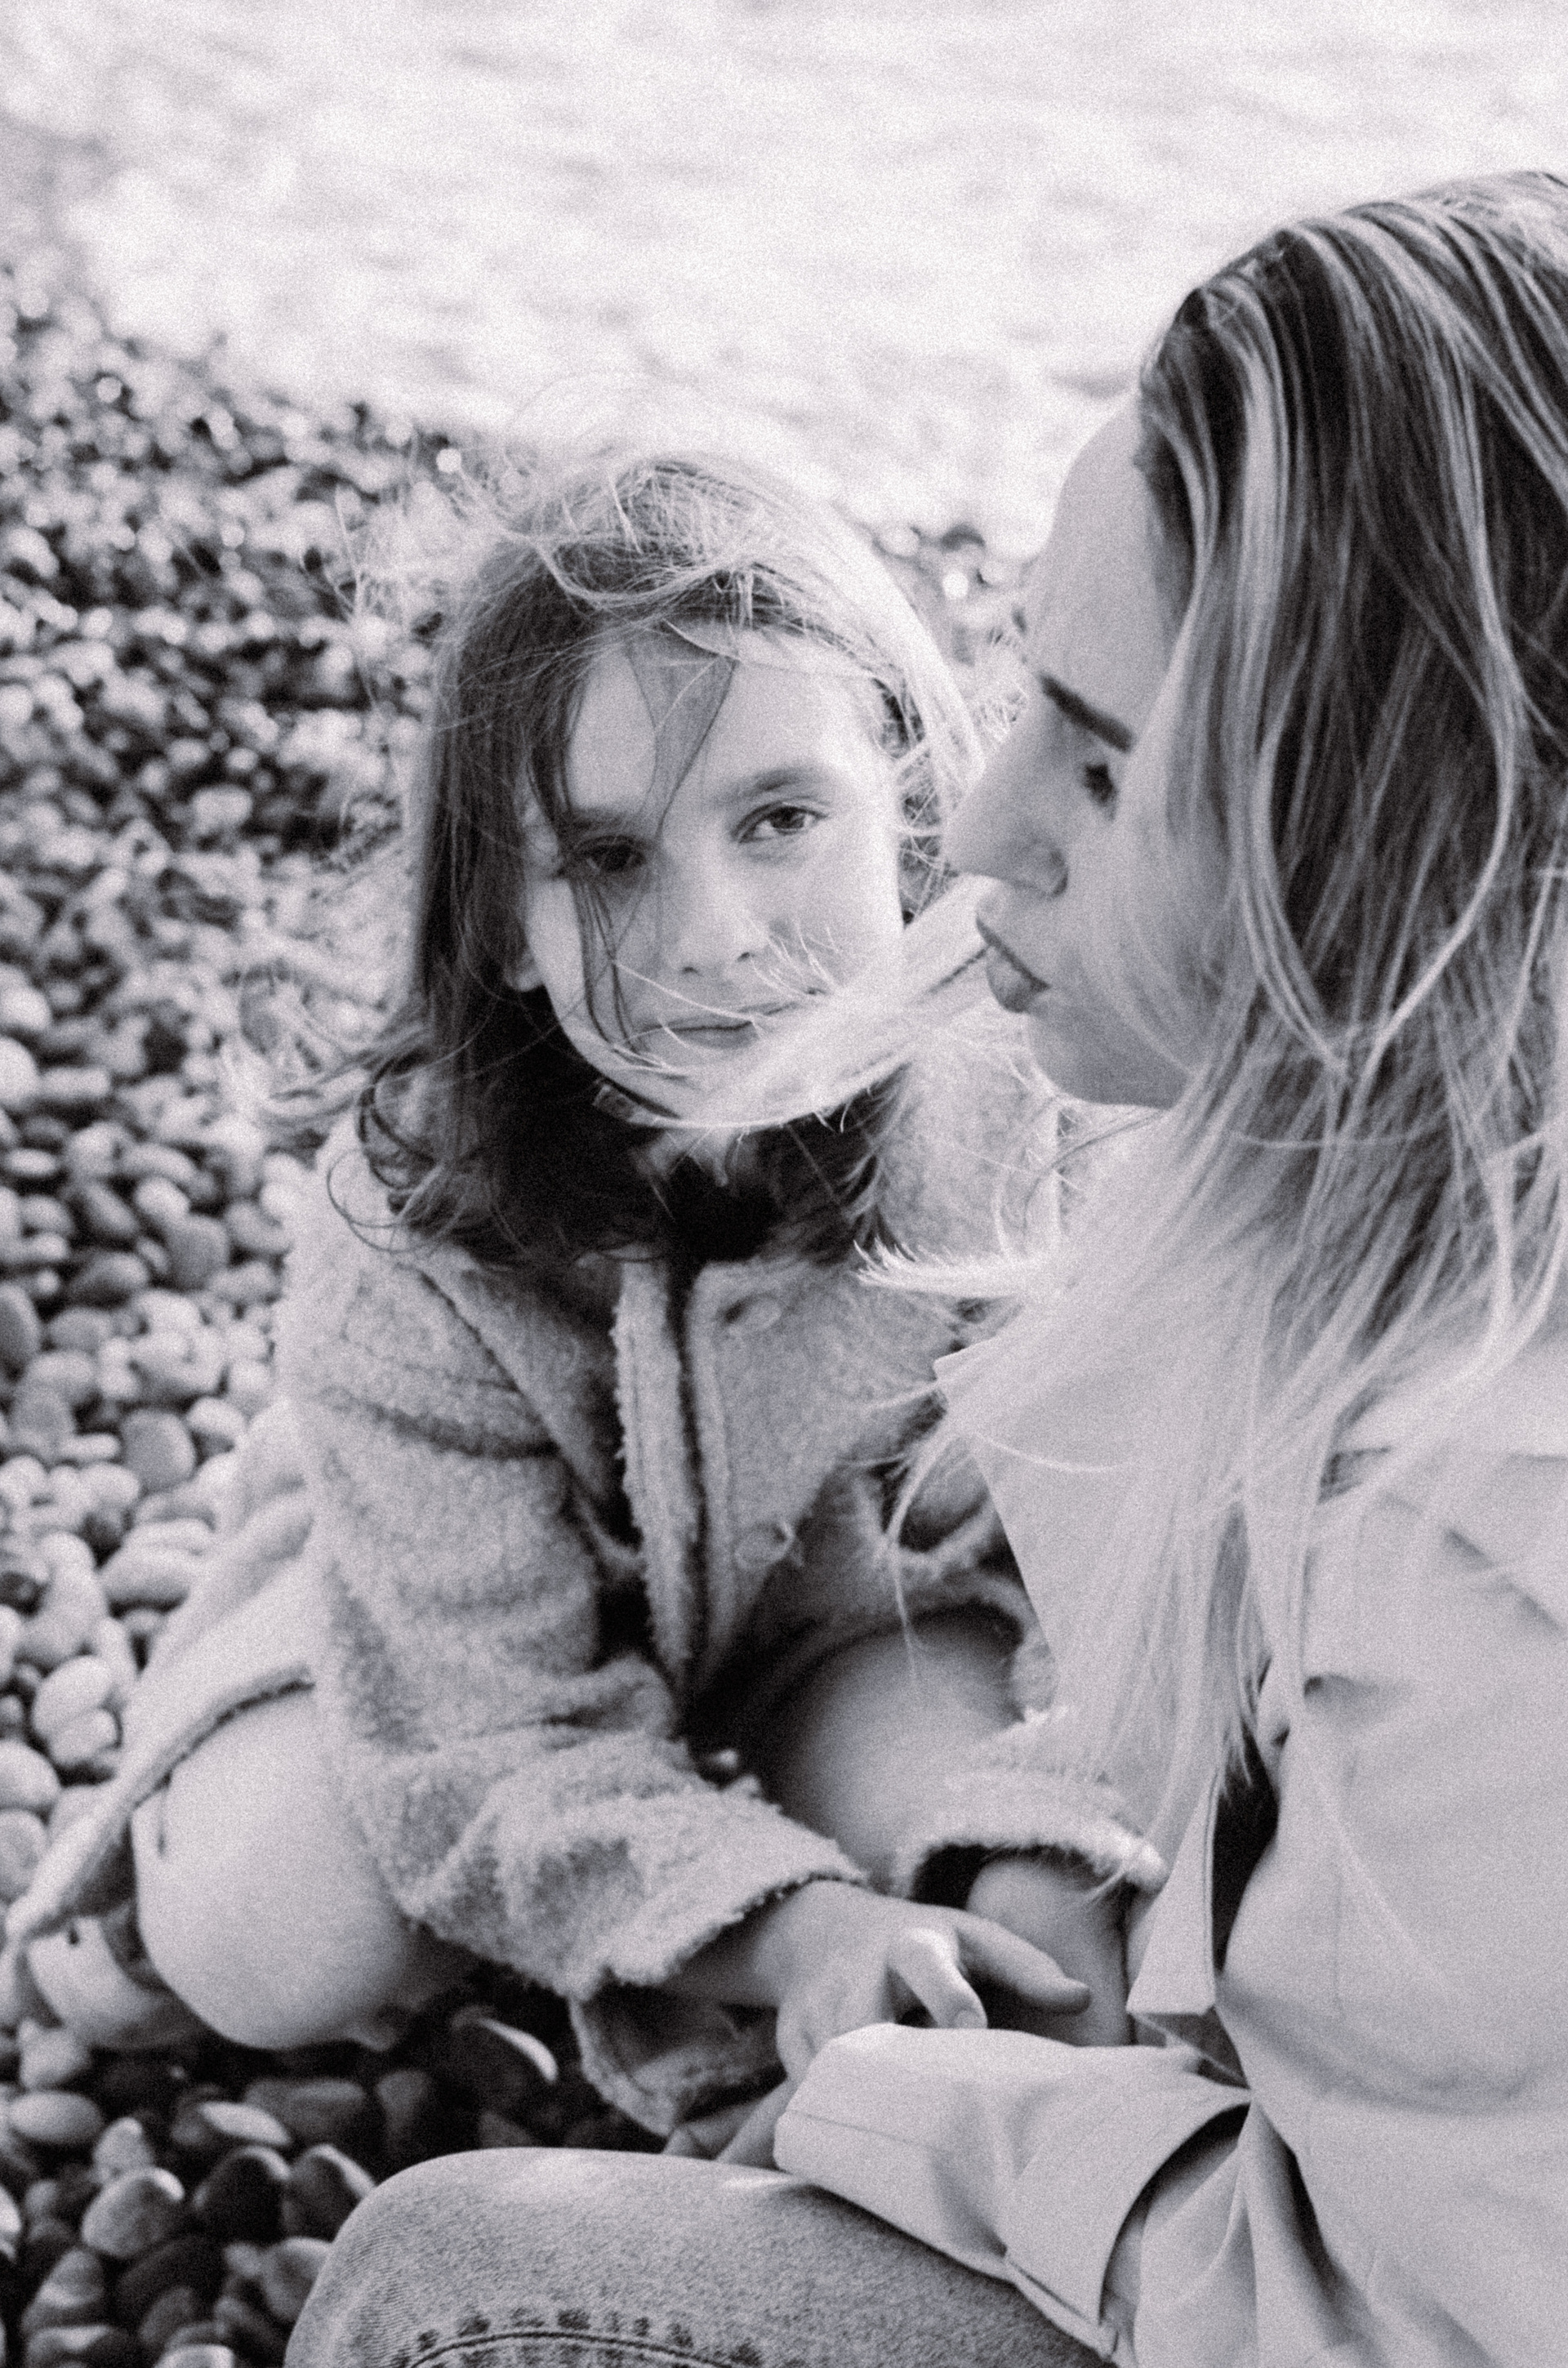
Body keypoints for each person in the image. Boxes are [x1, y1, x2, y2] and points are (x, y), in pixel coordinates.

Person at [287, 173, 1568, 2368]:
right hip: (572, 1625)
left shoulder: (1479, 1548)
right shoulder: (1305, 1177)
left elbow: (1399, 2312)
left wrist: (898, 2092)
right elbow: (485, 1734)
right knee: (272, 1919)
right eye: (1024, 697)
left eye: (1105, 759)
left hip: (1321, 2259)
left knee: (439, 2278)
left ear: (1389, 829)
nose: (978, 831)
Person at [11, 448, 1118, 2139]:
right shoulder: (413, 1216)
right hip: (449, 1614)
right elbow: (481, 1731)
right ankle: (185, 1834)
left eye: (781, 819)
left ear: (906, 804)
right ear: (501, 922)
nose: (717, 935)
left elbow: (1108, 1585)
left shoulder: (1030, 1090)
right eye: (605, 858)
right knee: (285, 1936)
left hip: (849, 1613)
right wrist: (799, 1933)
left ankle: (690, 1897)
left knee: (1011, 1905)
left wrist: (1004, 1855)